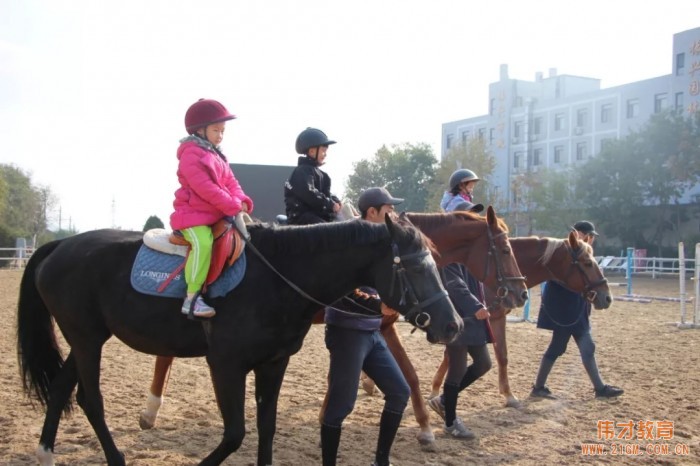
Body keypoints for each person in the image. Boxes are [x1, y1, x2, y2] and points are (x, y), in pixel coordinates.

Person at [321, 187, 408, 466]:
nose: (392, 213)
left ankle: (381, 461)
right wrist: (378, 306)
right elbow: (340, 289)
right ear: (372, 212)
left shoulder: (381, 244)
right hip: (347, 331)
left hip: (371, 331)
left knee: (399, 392)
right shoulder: (349, 242)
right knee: (340, 407)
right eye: (388, 209)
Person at [170, 98, 254, 318]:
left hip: (216, 215)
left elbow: (231, 182)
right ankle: (192, 298)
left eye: (223, 131)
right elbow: (204, 188)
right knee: (203, 242)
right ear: (200, 130)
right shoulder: (190, 154)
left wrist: (242, 199)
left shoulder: (217, 155)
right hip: (191, 217)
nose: (220, 135)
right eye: (216, 130)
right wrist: (233, 205)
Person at [530, 221, 624, 399]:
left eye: (592, 236)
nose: (591, 239)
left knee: (573, 347)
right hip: (564, 309)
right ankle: (599, 389)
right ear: (578, 233)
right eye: (588, 234)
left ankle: (541, 387)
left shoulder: (583, 252)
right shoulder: (564, 251)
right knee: (566, 347)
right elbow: (558, 277)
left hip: (578, 308)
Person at [427, 200, 490, 439]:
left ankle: (443, 400)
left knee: (483, 364)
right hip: (454, 316)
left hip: (472, 316)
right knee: (458, 368)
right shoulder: (448, 250)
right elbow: (454, 284)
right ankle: (450, 422)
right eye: (468, 217)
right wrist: (476, 306)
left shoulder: (470, 250)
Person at [284, 127, 342, 225]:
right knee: (329, 232)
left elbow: (325, 193)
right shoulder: (302, 171)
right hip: (301, 218)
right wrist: (330, 204)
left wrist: (335, 200)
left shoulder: (322, 174)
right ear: (312, 151)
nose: (325, 154)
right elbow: (309, 193)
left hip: (315, 216)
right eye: (323, 151)